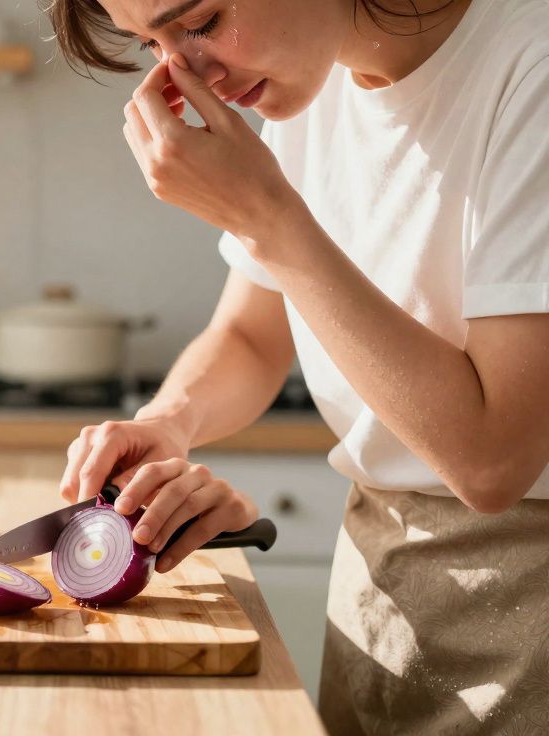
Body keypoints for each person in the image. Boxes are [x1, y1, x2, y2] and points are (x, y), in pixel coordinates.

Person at [44, 0, 549, 732]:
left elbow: (493, 463)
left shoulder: (529, 69)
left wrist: (266, 215)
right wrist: (169, 420)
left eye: (202, 20)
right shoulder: (311, 80)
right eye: (153, 42)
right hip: (380, 589)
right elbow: (252, 336)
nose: (186, 73)